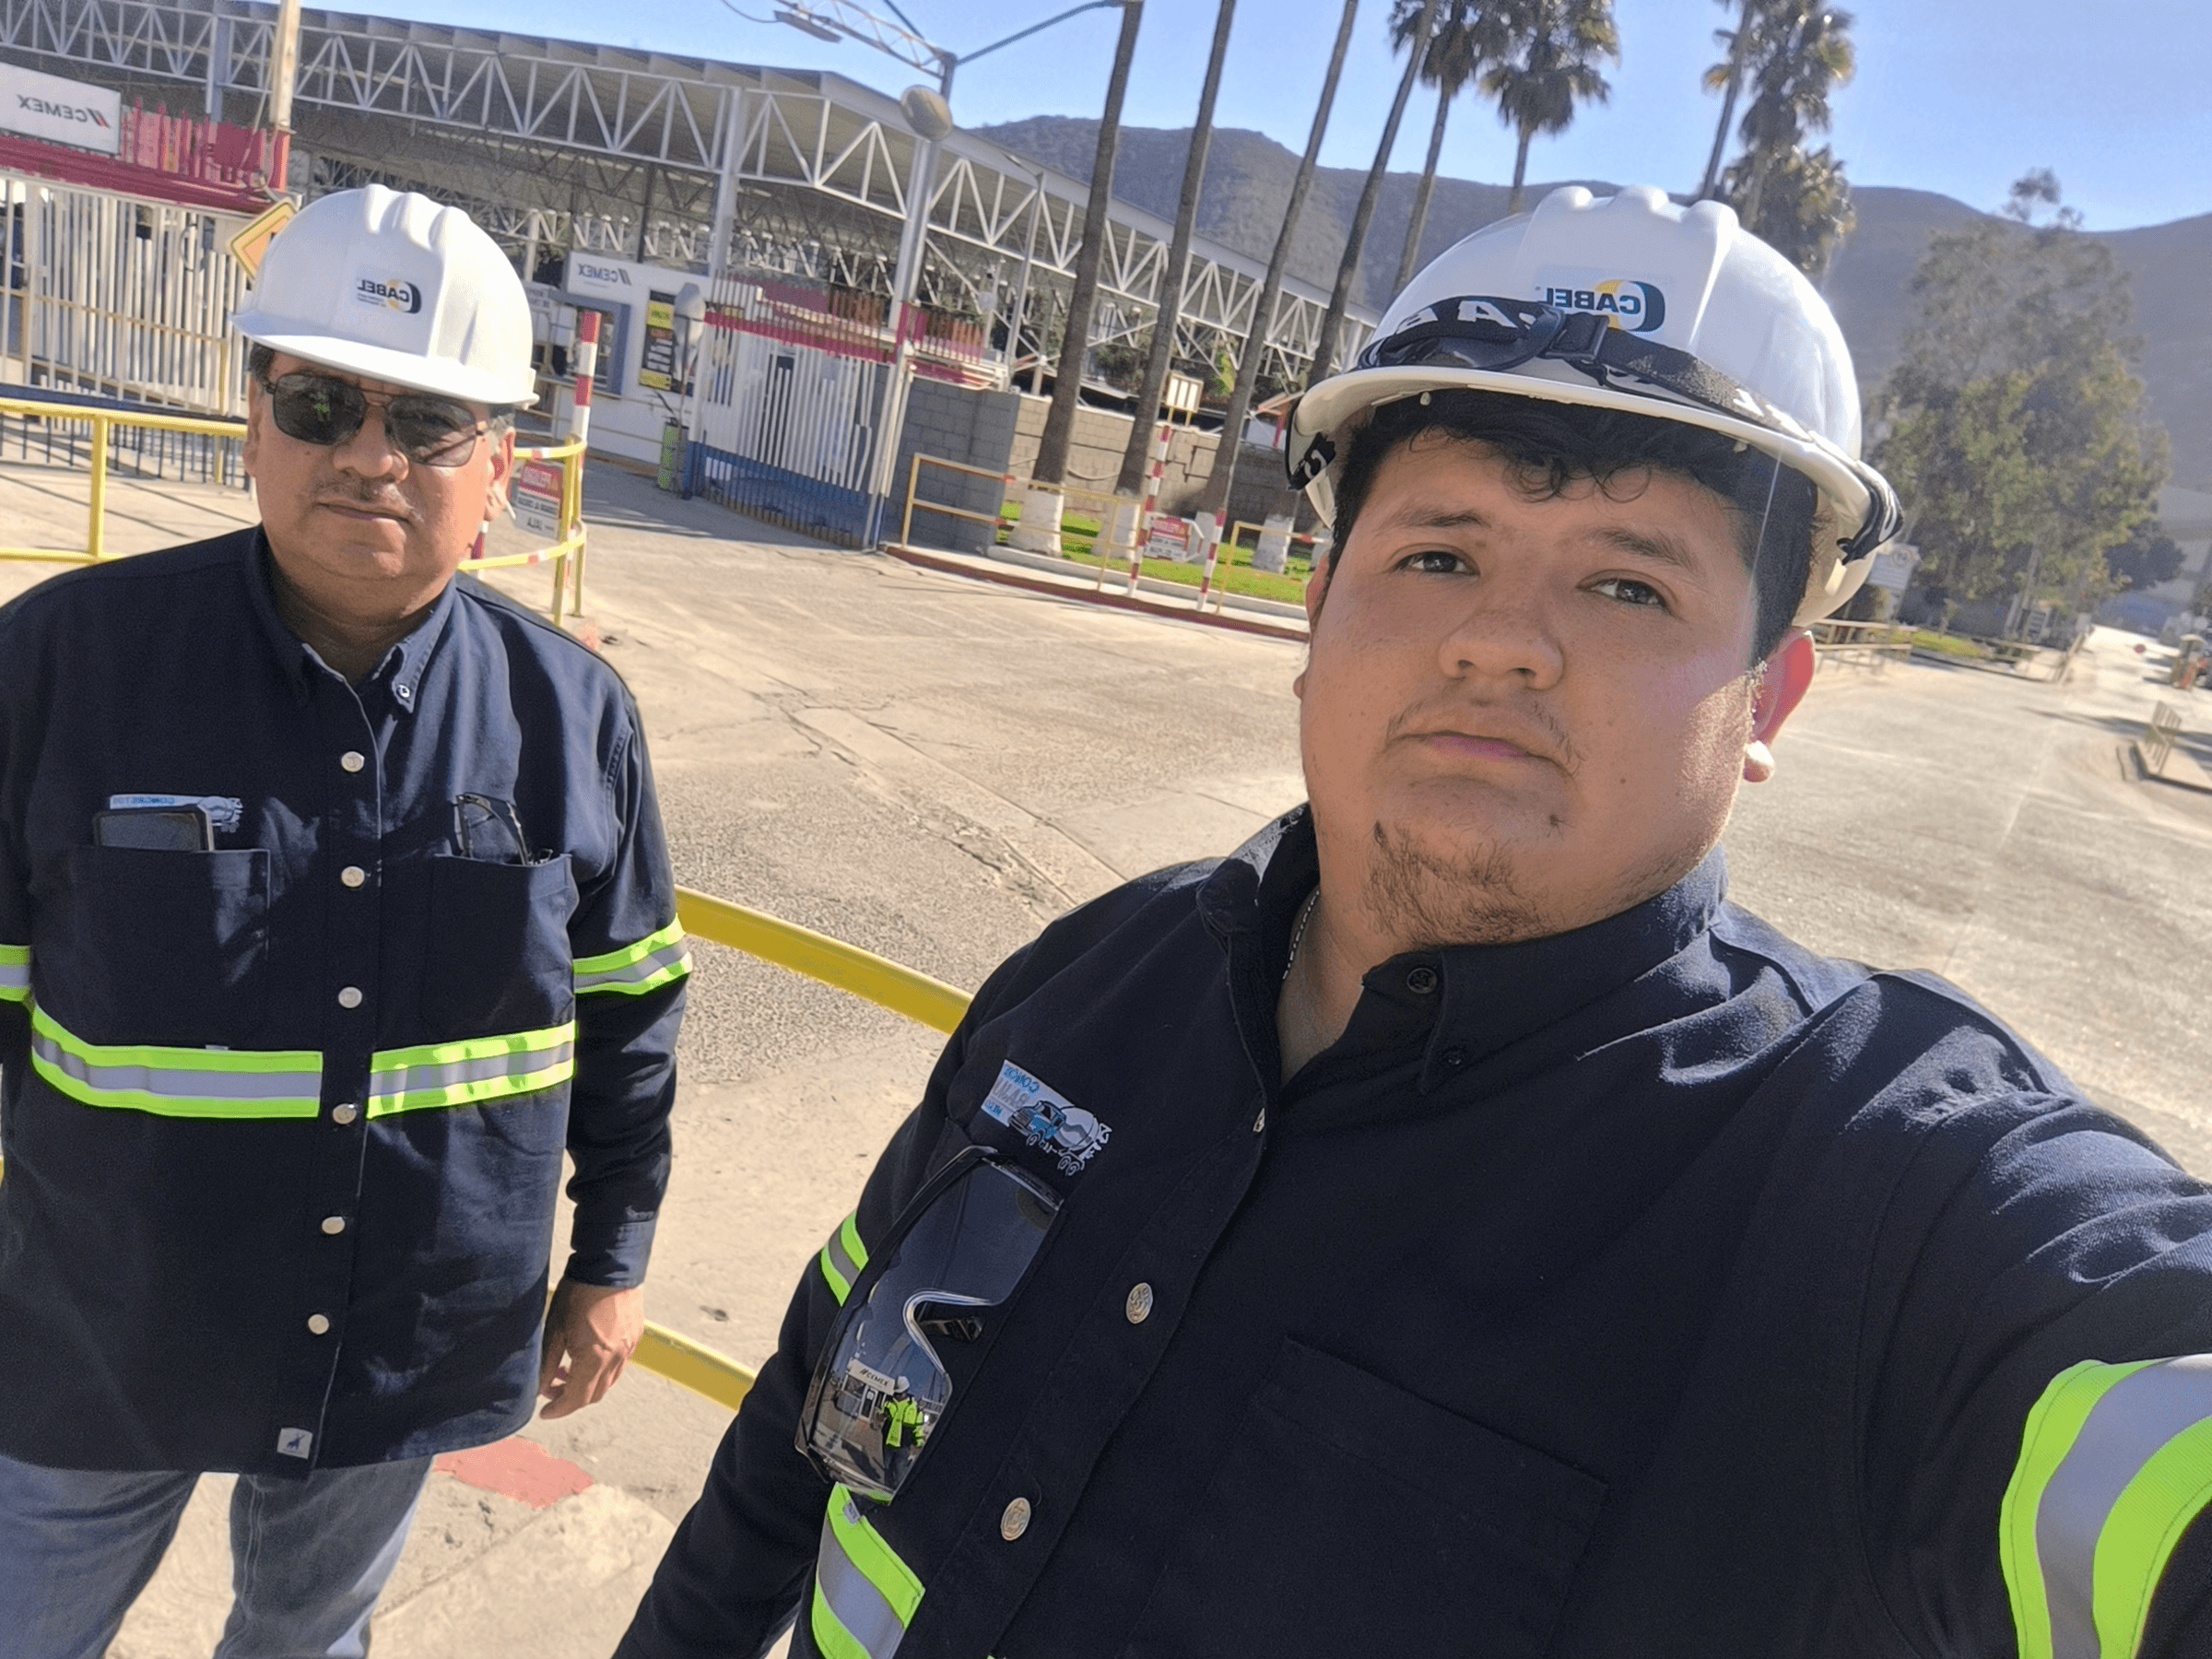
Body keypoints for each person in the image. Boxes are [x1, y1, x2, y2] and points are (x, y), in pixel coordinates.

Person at [617, 187, 2212, 1659]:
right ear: (1319, 613)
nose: (1501, 641)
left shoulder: (1876, 1214)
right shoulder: (1094, 981)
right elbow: (807, 1410)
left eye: (1630, 587)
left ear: (1769, 697)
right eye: (1438, 554)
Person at [0, 183, 689, 1658]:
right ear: (252, 419)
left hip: (400, 1343)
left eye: (427, 421)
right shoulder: (62, 664)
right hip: (105, 1323)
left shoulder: (574, 721)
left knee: (306, 1642)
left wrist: (613, 1259)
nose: (370, 455)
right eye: (320, 403)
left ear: (498, 465)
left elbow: (631, 1015)